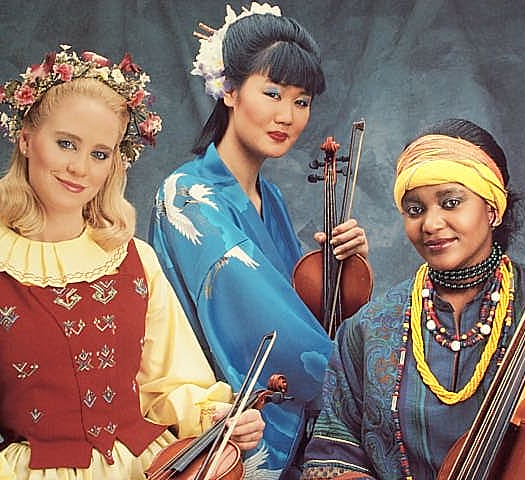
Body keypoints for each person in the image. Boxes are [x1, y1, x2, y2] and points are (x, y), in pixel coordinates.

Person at [0, 45, 264, 480]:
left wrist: (217, 416)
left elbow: (170, 384)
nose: (80, 168)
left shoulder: (135, 260)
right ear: (26, 140)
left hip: (152, 466)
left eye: (99, 153)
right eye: (65, 144)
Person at [148, 3, 368, 478]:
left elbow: (302, 310)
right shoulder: (188, 196)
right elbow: (268, 326)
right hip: (222, 422)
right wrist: (365, 371)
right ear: (229, 89)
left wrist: (341, 273)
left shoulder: (270, 197)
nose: (286, 115)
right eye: (272, 93)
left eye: (301, 102)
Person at [300, 118, 525, 480]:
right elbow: (332, 453)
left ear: (493, 209)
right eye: (415, 210)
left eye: (450, 203)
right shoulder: (368, 328)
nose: (431, 224)